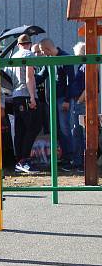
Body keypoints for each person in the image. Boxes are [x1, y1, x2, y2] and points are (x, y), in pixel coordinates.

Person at [36, 38, 76, 170]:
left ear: (48, 49)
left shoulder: (65, 58)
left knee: (65, 128)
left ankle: (70, 158)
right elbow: (41, 75)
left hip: (63, 99)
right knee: (57, 128)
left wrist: (67, 100)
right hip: (53, 99)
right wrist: (27, 82)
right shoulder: (49, 60)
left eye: (42, 51)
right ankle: (63, 156)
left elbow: (71, 80)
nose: (42, 53)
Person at [9, 33, 40, 173]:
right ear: (29, 43)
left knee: (20, 129)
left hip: (16, 96)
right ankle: (25, 159)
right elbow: (30, 76)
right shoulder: (29, 55)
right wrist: (32, 97)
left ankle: (19, 160)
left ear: (18, 44)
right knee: (33, 127)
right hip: (26, 95)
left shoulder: (14, 56)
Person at [68, 42, 87, 172]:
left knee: (79, 132)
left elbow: (89, 87)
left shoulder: (86, 67)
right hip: (78, 101)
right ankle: (78, 160)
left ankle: (80, 162)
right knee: (77, 132)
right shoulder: (82, 66)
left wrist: (79, 101)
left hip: (81, 103)